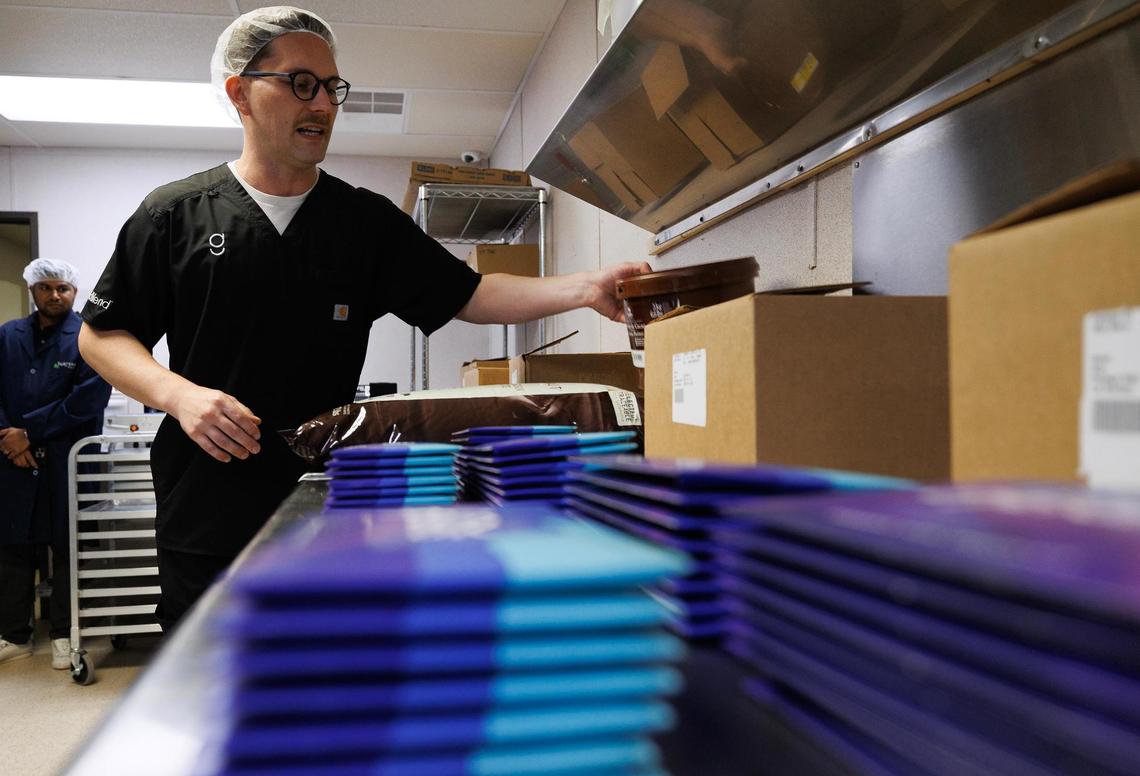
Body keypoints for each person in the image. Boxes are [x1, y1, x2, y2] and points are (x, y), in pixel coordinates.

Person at [78, 6, 650, 631]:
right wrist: (180, 396)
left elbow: (471, 293)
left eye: (331, 87)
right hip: (208, 504)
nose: (322, 103)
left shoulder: (364, 224)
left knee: (330, 689)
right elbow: (102, 335)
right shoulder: (173, 215)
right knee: (212, 691)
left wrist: (586, 286)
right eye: (300, 83)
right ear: (240, 93)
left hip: (332, 502)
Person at [0, 259, 111, 668]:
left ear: (75, 292)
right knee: (13, 547)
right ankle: (14, 634)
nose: (54, 295)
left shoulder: (90, 336)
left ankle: (65, 633)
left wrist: (26, 432)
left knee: (68, 548)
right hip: (13, 461)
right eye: (45, 288)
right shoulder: (7, 335)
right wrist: (7, 437)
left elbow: (86, 401)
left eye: (62, 288)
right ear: (32, 290)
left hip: (68, 459)